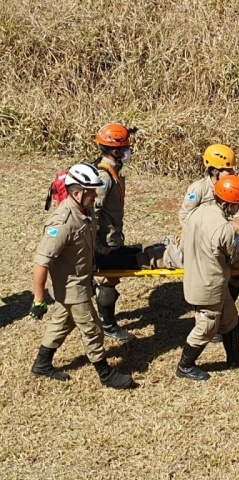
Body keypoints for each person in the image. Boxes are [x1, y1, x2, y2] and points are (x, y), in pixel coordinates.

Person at [29, 163, 134, 389]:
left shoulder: (86, 212)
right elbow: (41, 261)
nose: (96, 194)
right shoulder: (63, 222)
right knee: (92, 329)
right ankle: (105, 373)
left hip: (82, 279)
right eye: (91, 191)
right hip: (71, 286)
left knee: (61, 323)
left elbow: (85, 242)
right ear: (77, 193)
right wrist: (38, 299)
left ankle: (42, 364)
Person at [177, 175, 239, 381]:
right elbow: (235, 258)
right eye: (237, 205)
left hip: (199, 275)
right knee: (206, 326)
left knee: (230, 317)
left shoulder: (198, 212)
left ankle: (234, 357)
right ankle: (185, 365)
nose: (238, 209)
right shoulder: (226, 229)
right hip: (208, 284)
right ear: (226, 203)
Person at [92, 123, 141, 342]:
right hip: (105, 241)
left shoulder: (112, 171)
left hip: (112, 237)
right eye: (125, 147)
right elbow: (91, 214)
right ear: (115, 151)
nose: (128, 151)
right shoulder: (104, 178)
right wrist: (96, 247)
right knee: (107, 281)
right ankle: (107, 325)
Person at [178, 144, 237, 230]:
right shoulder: (197, 189)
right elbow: (184, 216)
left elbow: (237, 214)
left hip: (223, 231)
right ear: (215, 171)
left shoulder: (232, 188)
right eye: (228, 170)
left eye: (232, 169)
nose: (233, 173)